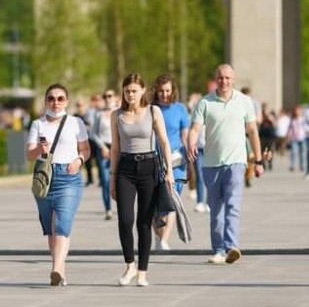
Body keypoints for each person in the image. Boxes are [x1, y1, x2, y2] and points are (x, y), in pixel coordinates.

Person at [187, 64, 265, 266]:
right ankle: (218, 250)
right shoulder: (205, 102)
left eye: (228, 78)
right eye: (220, 78)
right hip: (211, 163)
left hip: (236, 163)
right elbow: (194, 128)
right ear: (216, 79)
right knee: (216, 209)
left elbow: (253, 132)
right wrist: (191, 143)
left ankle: (231, 246)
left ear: (234, 79)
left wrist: (258, 160)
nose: (224, 81)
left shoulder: (244, 102)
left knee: (233, 205)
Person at [110, 73, 174, 287]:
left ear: (143, 91)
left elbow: (164, 142)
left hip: (149, 166)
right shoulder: (116, 115)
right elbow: (116, 148)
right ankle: (130, 266)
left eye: (134, 91)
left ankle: (143, 272)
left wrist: (170, 172)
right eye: (127, 91)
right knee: (125, 219)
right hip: (125, 168)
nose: (130, 95)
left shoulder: (153, 111)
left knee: (144, 222)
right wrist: (112, 178)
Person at [26, 83, 91, 286]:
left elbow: (86, 149)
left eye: (60, 98)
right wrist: (39, 149)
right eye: (51, 98)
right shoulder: (38, 124)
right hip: (45, 178)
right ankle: (60, 270)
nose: (56, 102)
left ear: (67, 101)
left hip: (69, 177)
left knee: (62, 223)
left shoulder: (76, 123)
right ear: (46, 101)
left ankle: (55, 268)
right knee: (51, 228)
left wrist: (79, 160)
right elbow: (29, 154)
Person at [151, 74, 189, 251]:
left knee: (172, 199)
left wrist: (190, 149)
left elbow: (185, 134)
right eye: (161, 91)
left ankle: (164, 240)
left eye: (167, 90)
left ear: (173, 90)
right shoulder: (150, 109)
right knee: (153, 203)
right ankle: (158, 238)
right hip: (154, 160)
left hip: (176, 161)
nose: (164, 94)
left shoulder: (180, 109)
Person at [89, 89, 118, 220]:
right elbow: (93, 133)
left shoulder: (119, 112)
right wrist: (102, 147)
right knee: (106, 180)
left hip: (118, 149)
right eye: (105, 96)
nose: (107, 98)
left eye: (110, 96)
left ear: (115, 97)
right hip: (104, 149)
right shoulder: (99, 114)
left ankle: (122, 206)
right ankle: (108, 209)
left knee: (120, 180)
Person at [287, 105, 306, 173]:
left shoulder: (303, 119)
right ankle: (293, 166)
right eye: (296, 111)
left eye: (299, 110)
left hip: (302, 137)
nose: (297, 112)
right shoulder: (292, 119)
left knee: (302, 153)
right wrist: (288, 136)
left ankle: (302, 166)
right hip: (294, 138)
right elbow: (290, 128)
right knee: (294, 152)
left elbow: (305, 128)